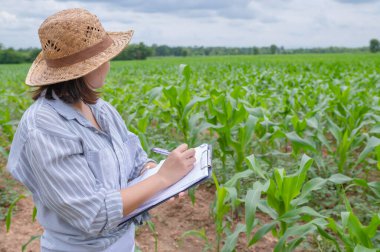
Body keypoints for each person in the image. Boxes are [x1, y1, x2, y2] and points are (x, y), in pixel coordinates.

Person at [6, 8, 196, 252]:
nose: (108, 65)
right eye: (104, 58)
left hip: (124, 242)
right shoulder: (44, 126)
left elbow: (136, 160)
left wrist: (157, 172)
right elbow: (92, 214)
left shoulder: (101, 110)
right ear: (87, 69)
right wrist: (162, 178)